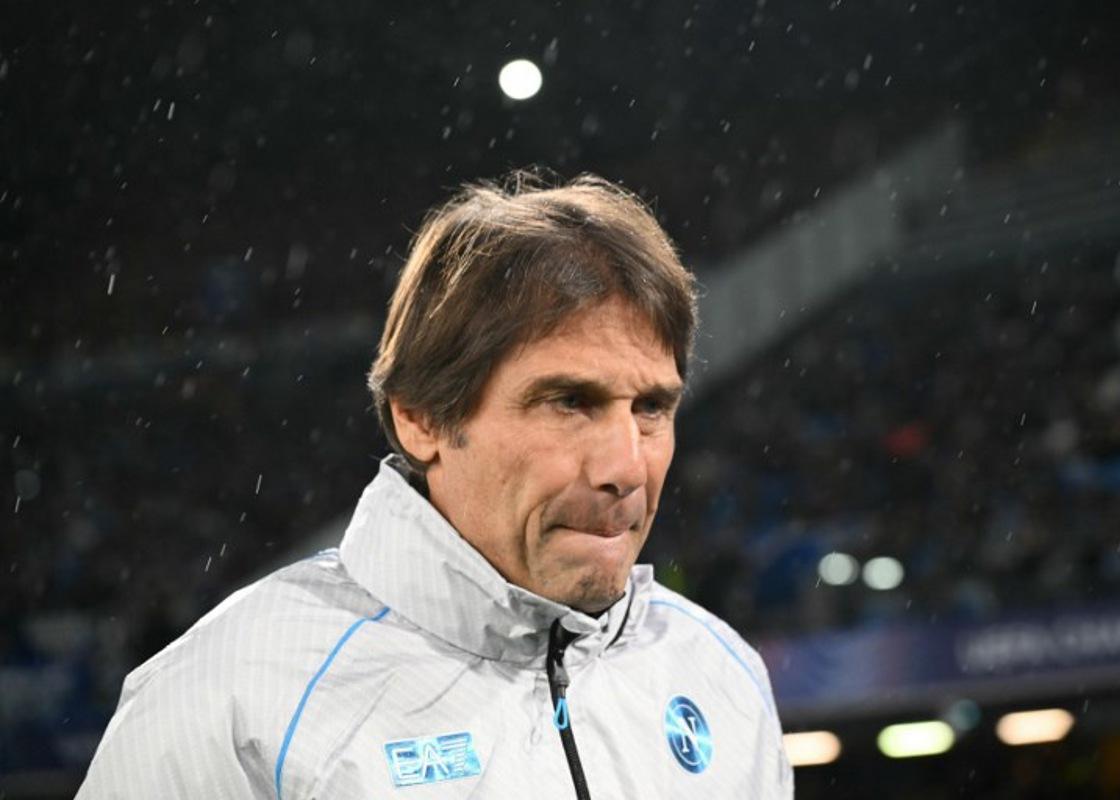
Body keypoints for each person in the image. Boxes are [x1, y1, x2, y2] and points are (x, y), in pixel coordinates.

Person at [77, 173, 794, 799]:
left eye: (651, 408)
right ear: (421, 418)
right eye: (569, 402)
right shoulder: (234, 698)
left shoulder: (720, 674)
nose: (626, 467)